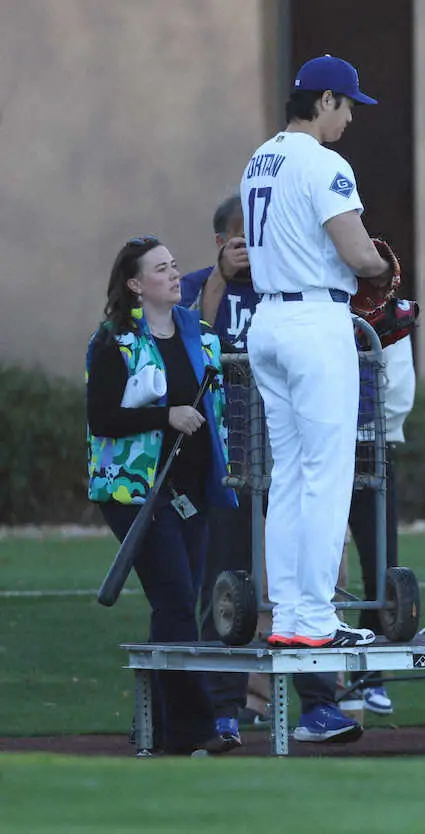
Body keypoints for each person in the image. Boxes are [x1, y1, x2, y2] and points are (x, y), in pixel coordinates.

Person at [240, 54, 391, 672]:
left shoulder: (259, 158)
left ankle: (289, 617)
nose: (351, 116)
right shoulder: (325, 162)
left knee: (291, 476)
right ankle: (319, 619)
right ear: (324, 100)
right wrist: (383, 267)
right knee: (327, 474)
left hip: (267, 320)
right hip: (313, 320)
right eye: (348, 103)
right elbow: (357, 253)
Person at [86, 235, 237, 755]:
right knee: (175, 600)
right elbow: (102, 418)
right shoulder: (115, 342)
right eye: (161, 269)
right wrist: (165, 415)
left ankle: (154, 726)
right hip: (136, 492)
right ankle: (196, 728)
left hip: (192, 491)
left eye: (175, 267)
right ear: (134, 284)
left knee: (174, 605)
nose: (175, 275)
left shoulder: (202, 337)